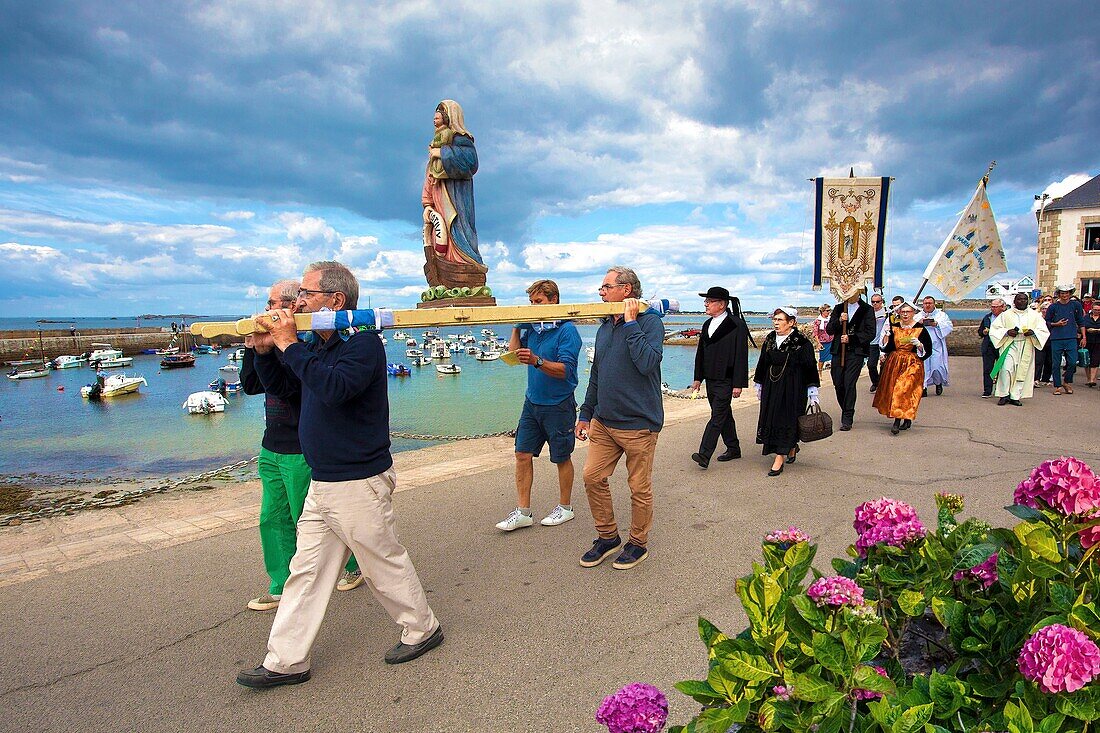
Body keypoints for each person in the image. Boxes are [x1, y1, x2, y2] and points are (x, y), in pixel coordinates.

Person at [237, 261, 442, 689]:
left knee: (380, 562)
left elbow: (334, 389)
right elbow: (287, 388)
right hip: (324, 481)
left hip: (357, 480)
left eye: (306, 294)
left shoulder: (363, 346)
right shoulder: (318, 347)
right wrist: (262, 351)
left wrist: (290, 343)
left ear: (335, 301)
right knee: (306, 572)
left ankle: (423, 628)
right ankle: (286, 660)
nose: (297, 303)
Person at [239, 279, 364, 612]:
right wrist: (256, 350)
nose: (267, 310)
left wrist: (284, 344)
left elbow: (291, 388)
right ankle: (280, 584)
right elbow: (251, 385)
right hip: (272, 442)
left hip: (299, 444)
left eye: (272, 303)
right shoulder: (279, 342)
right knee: (272, 517)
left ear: (292, 306)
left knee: (311, 519)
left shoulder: (306, 342)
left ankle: (351, 565)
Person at [576, 266, 663, 571]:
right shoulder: (603, 328)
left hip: (639, 424)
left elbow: (647, 363)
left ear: (626, 290)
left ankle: (638, 543)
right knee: (592, 477)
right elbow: (597, 374)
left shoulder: (649, 322)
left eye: (606, 287)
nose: (601, 292)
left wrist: (629, 324)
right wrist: (586, 413)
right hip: (604, 422)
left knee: (639, 487)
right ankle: (607, 536)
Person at [495, 279, 582, 531]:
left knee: (561, 457)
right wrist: (516, 327)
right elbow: (513, 355)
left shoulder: (567, 331)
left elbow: (566, 371)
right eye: (531, 302)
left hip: (559, 404)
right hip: (531, 402)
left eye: (538, 302)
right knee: (522, 455)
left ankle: (565, 508)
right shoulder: (534, 329)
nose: (533, 306)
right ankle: (523, 512)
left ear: (554, 300)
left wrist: (536, 361)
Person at [753, 307, 819, 476]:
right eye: (774, 319)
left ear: (791, 322)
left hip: (793, 386)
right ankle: (790, 446)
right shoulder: (769, 339)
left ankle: (779, 457)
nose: (776, 323)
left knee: (787, 418)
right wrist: (759, 382)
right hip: (772, 384)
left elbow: (810, 366)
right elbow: (763, 362)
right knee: (772, 417)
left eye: (780, 320)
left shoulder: (801, 341)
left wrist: (812, 390)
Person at [689, 286, 749, 469]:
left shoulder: (736, 324)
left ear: (721, 304)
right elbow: (701, 353)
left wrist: (738, 384)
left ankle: (704, 454)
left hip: (727, 379)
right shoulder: (707, 324)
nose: (705, 304)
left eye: (709, 301)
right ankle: (734, 448)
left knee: (717, 417)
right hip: (711, 378)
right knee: (724, 415)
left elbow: (741, 355)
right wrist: (698, 378)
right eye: (706, 301)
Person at [422, 99, 482, 267]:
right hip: (438, 196)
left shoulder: (461, 139)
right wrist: (427, 203)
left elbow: (471, 163)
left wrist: (441, 153)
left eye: (440, 115)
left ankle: (465, 264)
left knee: (458, 230)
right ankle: (444, 263)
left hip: (456, 197)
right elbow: (430, 173)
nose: (435, 120)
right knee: (441, 234)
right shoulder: (436, 141)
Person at [873, 301, 934, 434]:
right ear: (899, 313)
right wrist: (886, 341)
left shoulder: (920, 329)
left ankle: (897, 420)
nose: (905, 314)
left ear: (913, 313)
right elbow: (889, 348)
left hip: (912, 363)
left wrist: (919, 345)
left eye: (908, 312)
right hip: (895, 362)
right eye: (903, 312)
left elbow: (928, 350)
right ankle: (906, 418)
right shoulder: (894, 327)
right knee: (895, 389)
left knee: (903, 389)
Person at [825, 292, 876, 431]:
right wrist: (839, 321)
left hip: (856, 352)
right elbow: (829, 329)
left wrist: (851, 339)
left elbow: (871, 332)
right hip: (838, 351)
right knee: (838, 383)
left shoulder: (867, 309)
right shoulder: (839, 308)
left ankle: (847, 416)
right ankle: (845, 407)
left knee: (849, 382)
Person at [989, 292, 1050, 406]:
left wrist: (1033, 333)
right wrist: (1007, 332)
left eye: (1024, 300)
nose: (1022, 301)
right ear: (1014, 301)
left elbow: (1043, 330)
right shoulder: (1006, 314)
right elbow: (995, 329)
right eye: (1019, 299)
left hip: (1026, 344)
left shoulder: (1034, 315)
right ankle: (1004, 395)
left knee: (1022, 372)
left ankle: (1015, 396)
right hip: (1010, 344)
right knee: (1006, 370)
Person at [1044, 284, 1087, 395]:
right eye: (1062, 293)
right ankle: (1057, 386)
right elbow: (1047, 322)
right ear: (1059, 294)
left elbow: (1081, 321)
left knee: (1072, 362)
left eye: (1067, 293)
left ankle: (1067, 382)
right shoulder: (1053, 307)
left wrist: (1084, 336)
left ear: (1070, 294)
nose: (1065, 295)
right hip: (1056, 338)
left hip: (1071, 337)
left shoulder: (1076, 305)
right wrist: (1056, 324)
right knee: (1056, 363)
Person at [918, 296, 954, 395]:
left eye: (930, 303)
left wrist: (937, 324)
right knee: (923, 367)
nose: (927, 305)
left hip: (936, 345)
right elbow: (910, 328)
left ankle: (938, 383)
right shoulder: (918, 316)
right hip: (922, 346)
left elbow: (949, 326)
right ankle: (923, 388)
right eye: (925, 303)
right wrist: (919, 323)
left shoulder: (941, 315)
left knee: (937, 366)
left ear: (934, 304)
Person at [979, 298, 1007, 398]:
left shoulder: (1007, 317)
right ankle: (987, 390)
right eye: (992, 307)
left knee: (1002, 369)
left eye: (995, 307)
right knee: (988, 369)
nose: (993, 309)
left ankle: (1002, 390)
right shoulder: (987, 317)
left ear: (1002, 307)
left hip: (1001, 345)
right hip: (989, 346)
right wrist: (983, 332)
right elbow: (980, 331)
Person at [867, 293, 888, 393]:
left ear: (881, 302)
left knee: (883, 365)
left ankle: (882, 383)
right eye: (873, 302)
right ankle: (875, 382)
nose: (875, 304)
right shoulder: (868, 312)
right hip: (872, 343)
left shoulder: (887, 313)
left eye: (877, 302)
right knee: (871, 365)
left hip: (883, 342)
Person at [1034, 301, 1053, 386]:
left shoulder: (1053, 317)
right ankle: (1036, 379)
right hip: (1040, 341)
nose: (1045, 310)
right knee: (1038, 360)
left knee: (1049, 361)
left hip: (1051, 340)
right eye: (1043, 308)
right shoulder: (1038, 317)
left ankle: (1046, 378)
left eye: (1047, 309)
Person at [810, 304, 833, 374]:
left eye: (829, 310)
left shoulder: (830, 319)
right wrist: (818, 343)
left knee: (833, 357)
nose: (829, 312)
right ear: (822, 311)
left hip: (832, 341)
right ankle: (820, 373)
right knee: (822, 359)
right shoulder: (818, 321)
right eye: (827, 311)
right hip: (823, 342)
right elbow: (815, 333)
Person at [1084, 301, 1100, 388]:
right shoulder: (1086, 317)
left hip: (1098, 342)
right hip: (1088, 340)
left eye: (1098, 310)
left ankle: (1092, 380)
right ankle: (1088, 378)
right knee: (1086, 360)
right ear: (1092, 309)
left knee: (1095, 360)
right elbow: (1081, 327)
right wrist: (1087, 330)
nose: (1097, 311)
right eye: (1095, 310)